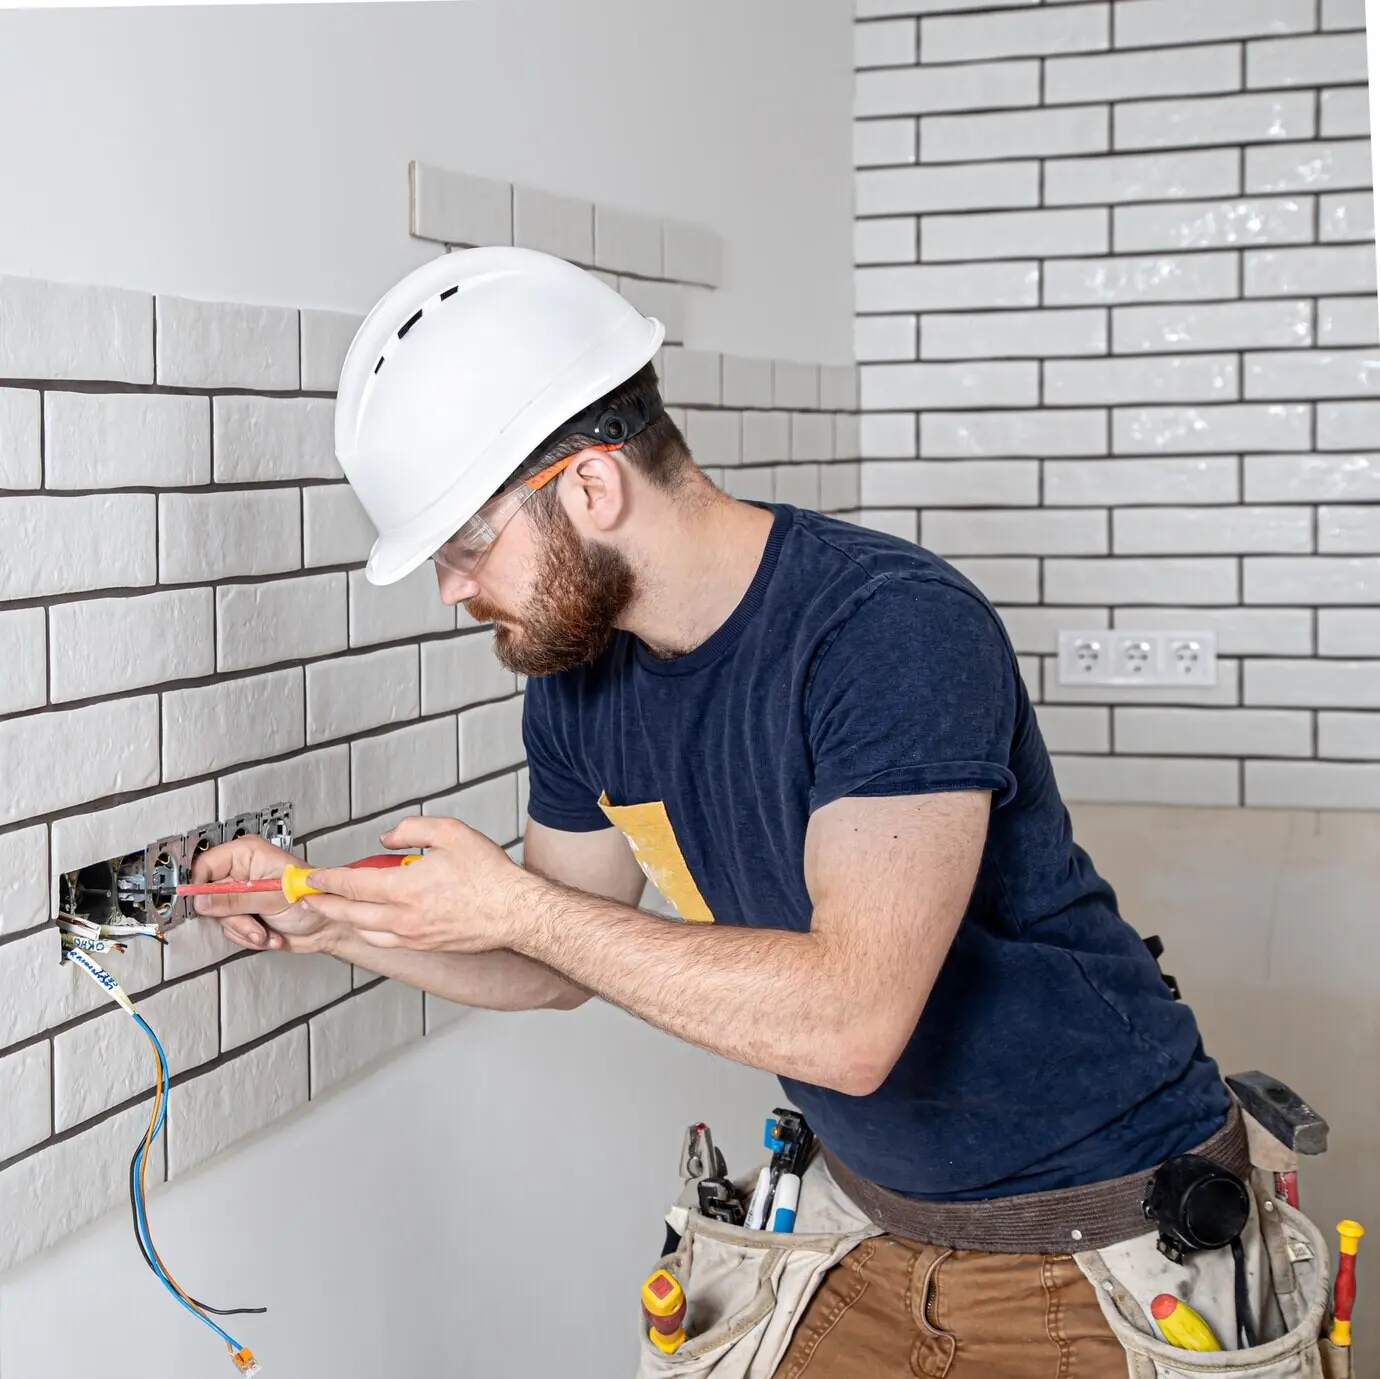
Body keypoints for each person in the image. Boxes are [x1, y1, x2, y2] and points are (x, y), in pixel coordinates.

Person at [195, 248, 1237, 1375]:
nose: (453, 587)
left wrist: (517, 907)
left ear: (591, 488)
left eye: (466, 545)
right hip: (874, 1217)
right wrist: (334, 922)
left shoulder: (889, 630)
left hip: (1107, 1234)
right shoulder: (580, 678)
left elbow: (852, 1024)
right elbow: (553, 959)